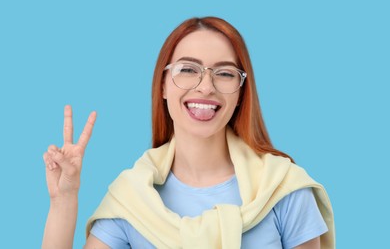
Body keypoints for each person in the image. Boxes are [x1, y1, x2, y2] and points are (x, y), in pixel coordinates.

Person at [42, 17, 335, 249]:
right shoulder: (133, 198)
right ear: (163, 86)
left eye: (224, 73)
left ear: (241, 93)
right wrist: (63, 200)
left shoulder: (284, 188)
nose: (206, 86)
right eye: (188, 69)